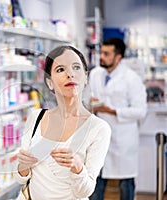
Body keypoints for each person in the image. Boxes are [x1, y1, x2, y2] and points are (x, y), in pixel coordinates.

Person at [14, 45, 111, 200]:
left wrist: (78, 167)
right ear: (50, 83)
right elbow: (20, 177)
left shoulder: (98, 128)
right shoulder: (36, 118)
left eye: (76, 67)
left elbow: (86, 191)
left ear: (85, 78)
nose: (70, 74)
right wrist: (23, 166)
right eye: (60, 69)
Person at [88, 38, 147, 200]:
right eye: (101, 52)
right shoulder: (95, 74)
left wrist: (112, 111)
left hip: (122, 138)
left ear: (118, 57)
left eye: (106, 54)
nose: (101, 57)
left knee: (125, 181)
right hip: (99, 136)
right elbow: (89, 97)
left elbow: (140, 111)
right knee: (97, 177)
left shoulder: (131, 78)